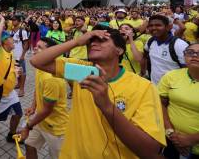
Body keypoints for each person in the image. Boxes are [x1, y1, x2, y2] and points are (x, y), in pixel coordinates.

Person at [30, 25, 166, 158]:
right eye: (91, 41)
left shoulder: (143, 87)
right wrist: (77, 41)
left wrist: (106, 106)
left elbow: (150, 151)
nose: (93, 43)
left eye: (102, 40)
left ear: (119, 50)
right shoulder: (82, 71)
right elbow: (37, 61)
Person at [21, 37, 69, 159]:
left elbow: (47, 110)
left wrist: (28, 126)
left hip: (56, 129)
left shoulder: (51, 78)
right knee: (29, 144)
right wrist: (33, 106)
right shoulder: (41, 67)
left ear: (50, 54)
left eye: (40, 47)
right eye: (36, 45)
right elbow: (38, 89)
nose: (35, 48)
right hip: (40, 121)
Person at [158, 43, 199, 159]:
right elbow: (161, 104)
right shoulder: (171, 76)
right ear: (184, 56)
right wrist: (171, 134)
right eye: (190, 52)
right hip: (171, 141)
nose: (195, 55)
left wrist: (191, 139)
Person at [0, 15, 23, 152]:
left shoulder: (11, 53)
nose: (13, 40)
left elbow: (8, 68)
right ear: (4, 42)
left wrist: (16, 71)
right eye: (10, 39)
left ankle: (11, 135)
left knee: (18, 114)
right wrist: (3, 20)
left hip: (11, 93)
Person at [144, 15, 189, 85]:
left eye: (158, 25)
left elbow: (189, 70)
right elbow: (145, 55)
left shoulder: (179, 45)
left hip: (174, 89)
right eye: (150, 25)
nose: (153, 28)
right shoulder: (150, 41)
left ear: (168, 27)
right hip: (155, 88)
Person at [10, 15, 29, 97]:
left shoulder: (23, 32)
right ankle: (18, 84)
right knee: (16, 71)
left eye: (14, 20)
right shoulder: (11, 31)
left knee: (23, 72)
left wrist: (23, 55)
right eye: (12, 20)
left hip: (20, 55)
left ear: (18, 21)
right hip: (13, 55)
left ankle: (22, 89)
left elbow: (26, 44)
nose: (13, 21)